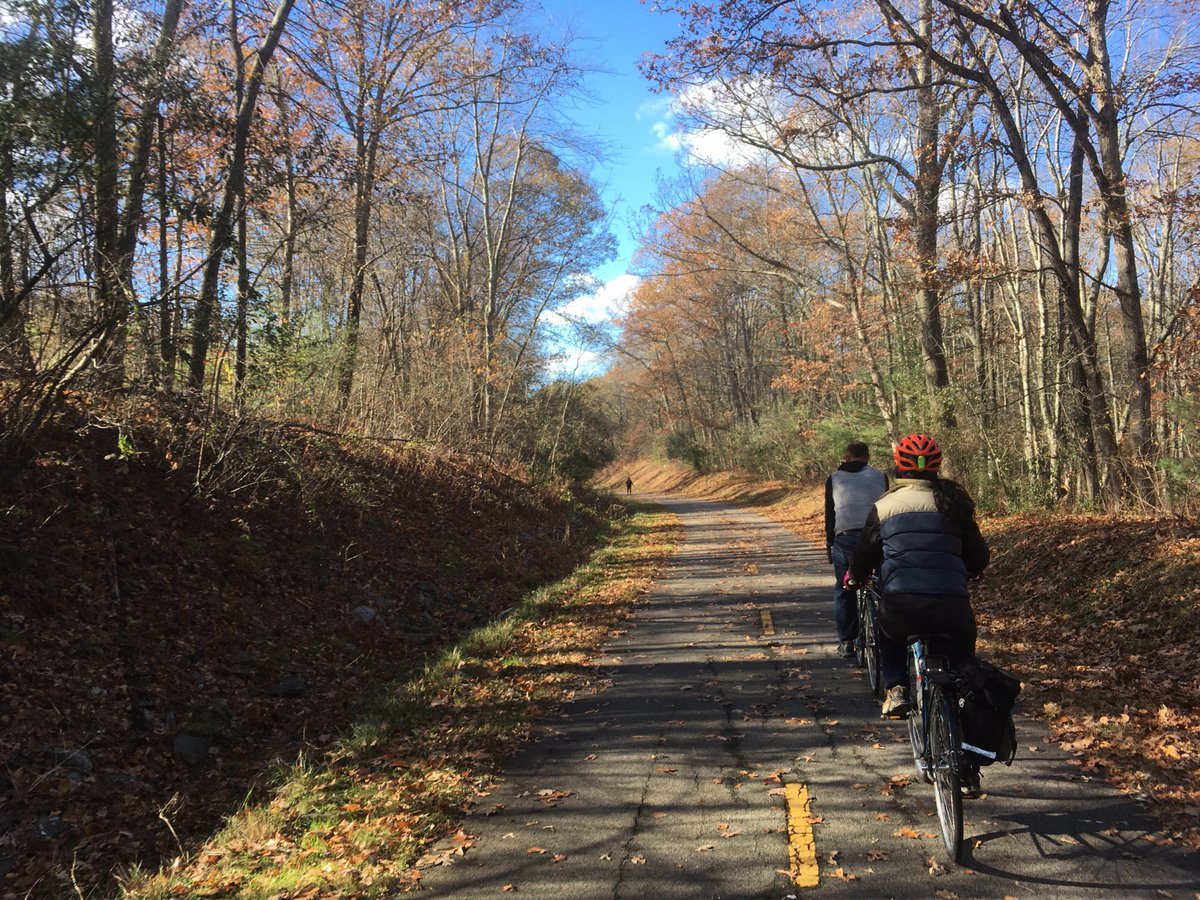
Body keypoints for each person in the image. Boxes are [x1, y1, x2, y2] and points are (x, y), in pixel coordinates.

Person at [847, 433, 990, 795]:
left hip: (903, 603)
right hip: (953, 607)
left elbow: (864, 555)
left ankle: (896, 688)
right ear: (937, 467)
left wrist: (856, 576)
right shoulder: (953, 503)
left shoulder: (885, 506)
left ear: (898, 467)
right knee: (963, 678)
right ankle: (969, 766)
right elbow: (978, 555)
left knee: (888, 625)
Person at [825, 441, 888, 658]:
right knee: (885, 585)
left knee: (843, 589)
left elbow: (830, 515)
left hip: (847, 539)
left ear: (846, 457)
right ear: (868, 458)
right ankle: (890, 634)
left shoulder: (834, 478)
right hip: (877, 537)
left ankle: (847, 641)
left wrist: (829, 542)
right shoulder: (881, 476)